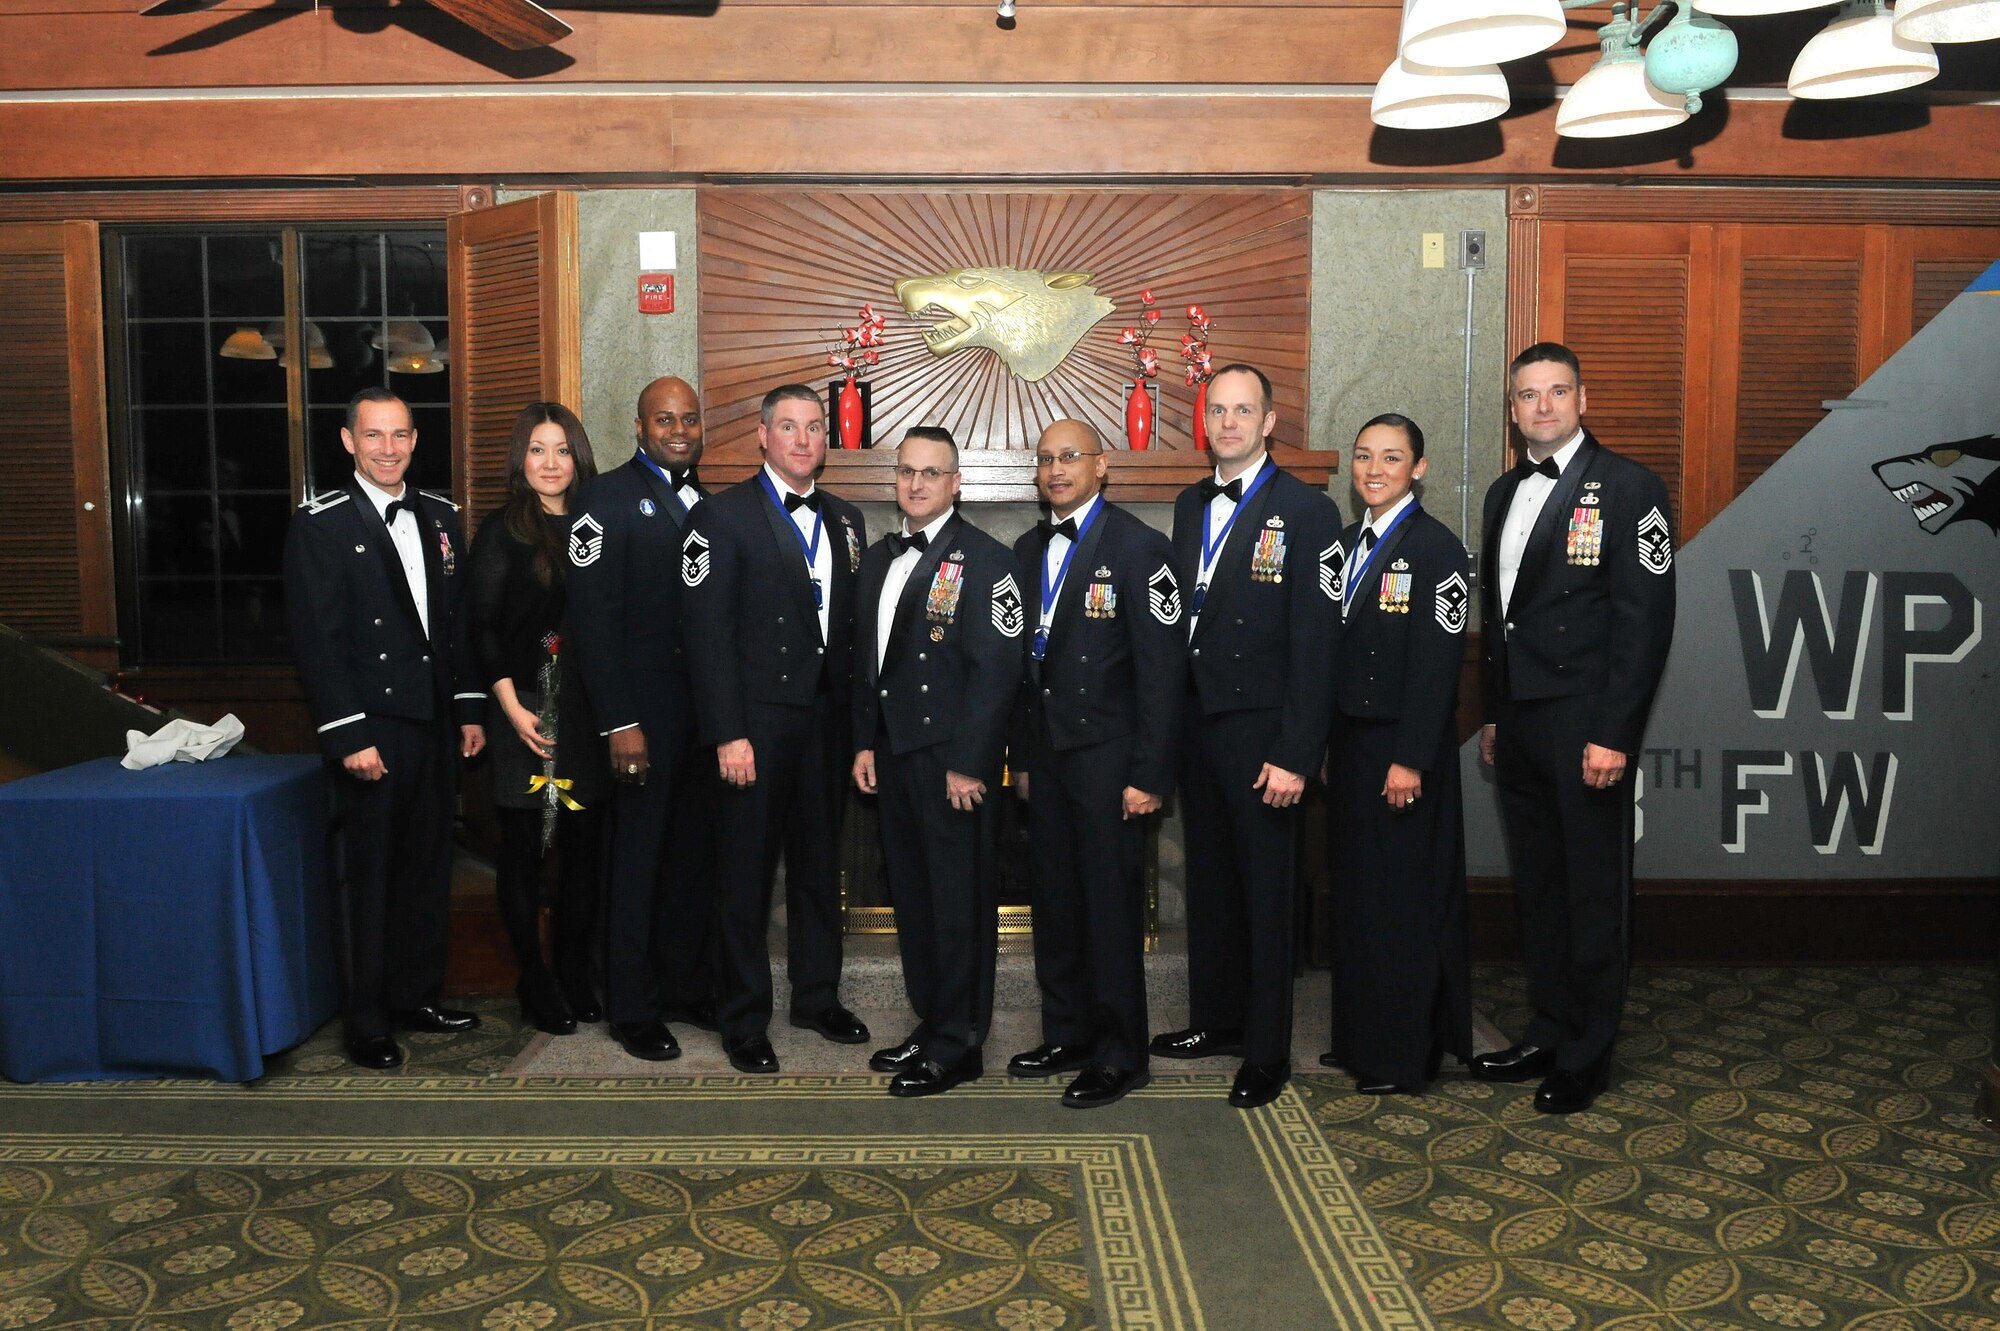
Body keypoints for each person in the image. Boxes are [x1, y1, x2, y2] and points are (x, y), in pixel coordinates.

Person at [1474, 342, 1677, 1115]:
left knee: (1592, 893)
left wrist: (1615, 732)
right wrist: (1492, 713)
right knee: (1540, 888)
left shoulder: (1632, 488)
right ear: (1514, 408)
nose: (1544, 406)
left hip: (1587, 726)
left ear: (1582, 398)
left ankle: (1589, 1052)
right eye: (1529, 394)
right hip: (1520, 727)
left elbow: (1644, 622)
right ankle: (1549, 1027)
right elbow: (1500, 620)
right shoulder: (1501, 492)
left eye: (1558, 391)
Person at [282, 388, 486, 1069]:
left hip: (431, 723)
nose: (388, 448)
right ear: (348, 441)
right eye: (374, 436)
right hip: (371, 726)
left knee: (427, 869)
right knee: (367, 880)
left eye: (399, 434)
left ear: (414, 438)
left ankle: (415, 996)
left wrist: (466, 710)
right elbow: (319, 641)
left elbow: (455, 627)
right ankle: (366, 1020)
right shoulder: (321, 524)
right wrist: (348, 734)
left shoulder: (441, 516)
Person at [1158, 363, 1340, 1109]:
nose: (1228, 422)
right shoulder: (1189, 503)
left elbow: (1317, 643)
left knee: (1267, 894)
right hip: (1201, 727)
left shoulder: (1308, 511)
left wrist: (1297, 752)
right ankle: (1217, 1022)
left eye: (1244, 410)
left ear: (1270, 422)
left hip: (1266, 735)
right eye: (1218, 410)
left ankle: (1266, 1051)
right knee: (1211, 883)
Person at [681, 383, 870, 1074]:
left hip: (825, 727)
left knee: (822, 868)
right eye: (788, 426)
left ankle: (817, 998)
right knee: (746, 877)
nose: (802, 439)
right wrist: (728, 731)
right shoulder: (718, 516)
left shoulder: (848, 519)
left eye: (814, 427)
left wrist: (860, 734)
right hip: (753, 730)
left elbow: (852, 639)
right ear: (762, 436)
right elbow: (706, 635)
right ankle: (743, 1018)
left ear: (827, 439)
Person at [1009, 419, 1186, 1109]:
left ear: (1102, 465)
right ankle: (1068, 1033)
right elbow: (1026, 672)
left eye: (1071, 457)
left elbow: (1163, 674)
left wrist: (1149, 773)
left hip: (1113, 762)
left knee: (1110, 910)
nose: (1057, 470)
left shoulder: (1144, 549)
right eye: (1047, 459)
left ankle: (1120, 1053)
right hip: (1047, 759)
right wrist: (1022, 758)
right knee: (1054, 903)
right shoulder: (1026, 549)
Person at [852, 427, 1025, 1097]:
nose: (917, 483)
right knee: (916, 900)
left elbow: (996, 671)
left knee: (959, 903)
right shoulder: (878, 559)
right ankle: (932, 1022)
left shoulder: (989, 561)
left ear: (958, 483)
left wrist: (971, 762)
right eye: (907, 472)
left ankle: (961, 1043)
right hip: (894, 756)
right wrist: (863, 741)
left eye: (932, 473)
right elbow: (866, 664)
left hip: (953, 763)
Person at [565, 375, 717, 1061]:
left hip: (701, 723)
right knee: (636, 861)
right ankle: (630, 1005)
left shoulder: (711, 506)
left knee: (689, 859)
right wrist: (620, 721)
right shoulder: (603, 500)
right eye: (665, 418)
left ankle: (681, 987)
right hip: (640, 722)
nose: (678, 429)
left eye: (688, 418)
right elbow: (591, 623)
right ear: (638, 425)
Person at [1321, 413, 1472, 1094]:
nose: (1374, 469)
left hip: (1402, 749)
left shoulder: (1438, 550)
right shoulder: (1348, 543)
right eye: (1362, 456)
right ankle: (1358, 1041)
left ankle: (1404, 1055)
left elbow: (1438, 667)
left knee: (1403, 905)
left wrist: (1410, 757)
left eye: (1391, 457)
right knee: (1357, 898)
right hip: (1353, 746)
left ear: (1420, 468)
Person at [463, 403, 608, 1037]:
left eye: (562, 450)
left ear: (579, 458)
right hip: (523, 712)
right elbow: (482, 628)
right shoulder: (502, 531)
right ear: (521, 460)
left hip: (586, 717)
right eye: (538, 450)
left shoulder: (598, 524)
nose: (551, 463)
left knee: (581, 858)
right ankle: (534, 978)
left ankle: (575, 974)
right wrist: (512, 707)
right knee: (523, 856)